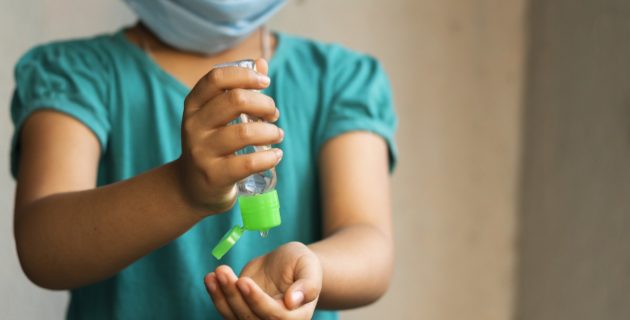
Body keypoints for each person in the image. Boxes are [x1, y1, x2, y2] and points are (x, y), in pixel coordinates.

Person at [10, 0, 397, 319]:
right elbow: (42, 247)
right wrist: (181, 190)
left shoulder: (340, 79)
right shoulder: (74, 75)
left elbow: (371, 248)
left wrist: (311, 270)